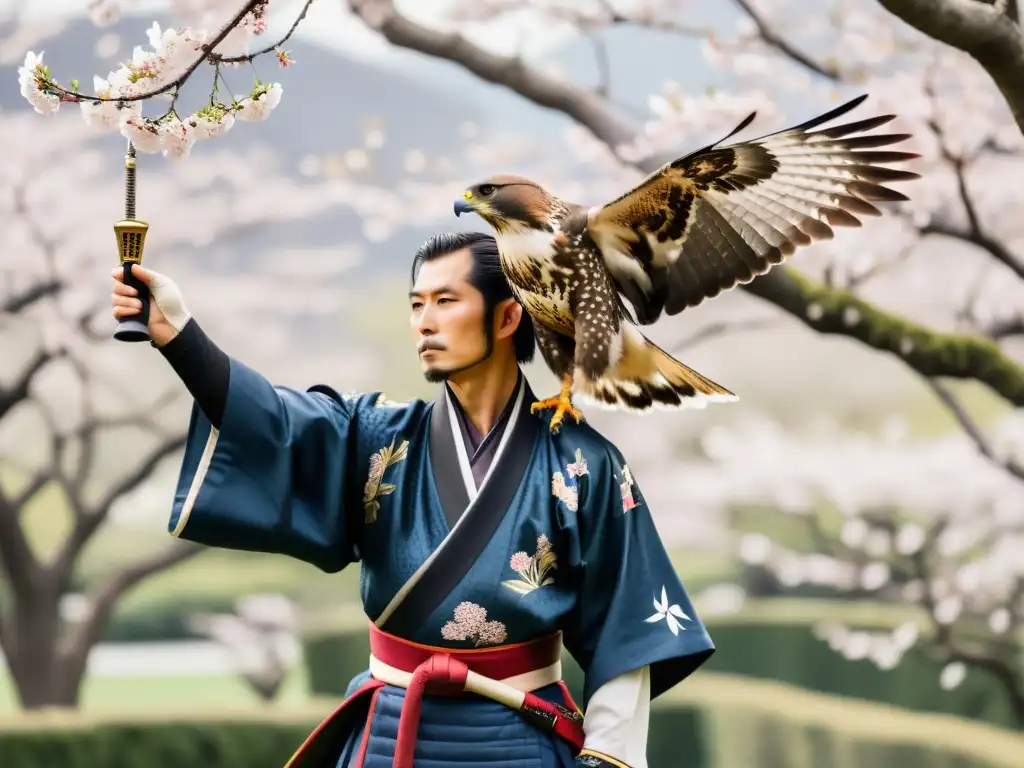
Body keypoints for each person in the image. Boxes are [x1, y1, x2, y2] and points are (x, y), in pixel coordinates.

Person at [109, 231, 715, 768]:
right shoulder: (378, 434)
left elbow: (630, 625)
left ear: (507, 318)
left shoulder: (584, 464)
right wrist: (179, 336)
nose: (423, 322)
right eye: (416, 304)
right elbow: (273, 423)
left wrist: (606, 759)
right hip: (390, 734)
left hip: (517, 737)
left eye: (445, 301)